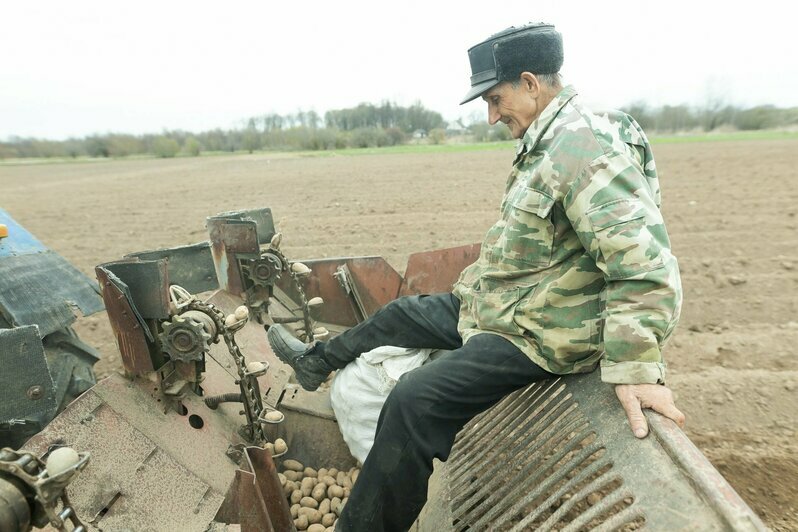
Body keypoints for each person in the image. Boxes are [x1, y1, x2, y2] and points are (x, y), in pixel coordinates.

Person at [267, 22, 686, 532]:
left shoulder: (585, 148)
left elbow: (643, 268)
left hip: (542, 333)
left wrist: (638, 368)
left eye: (495, 98)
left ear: (531, 83)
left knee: (413, 401)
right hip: (510, 308)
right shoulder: (550, 141)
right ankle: (316, 364)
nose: (490, 116)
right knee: (401, 313)